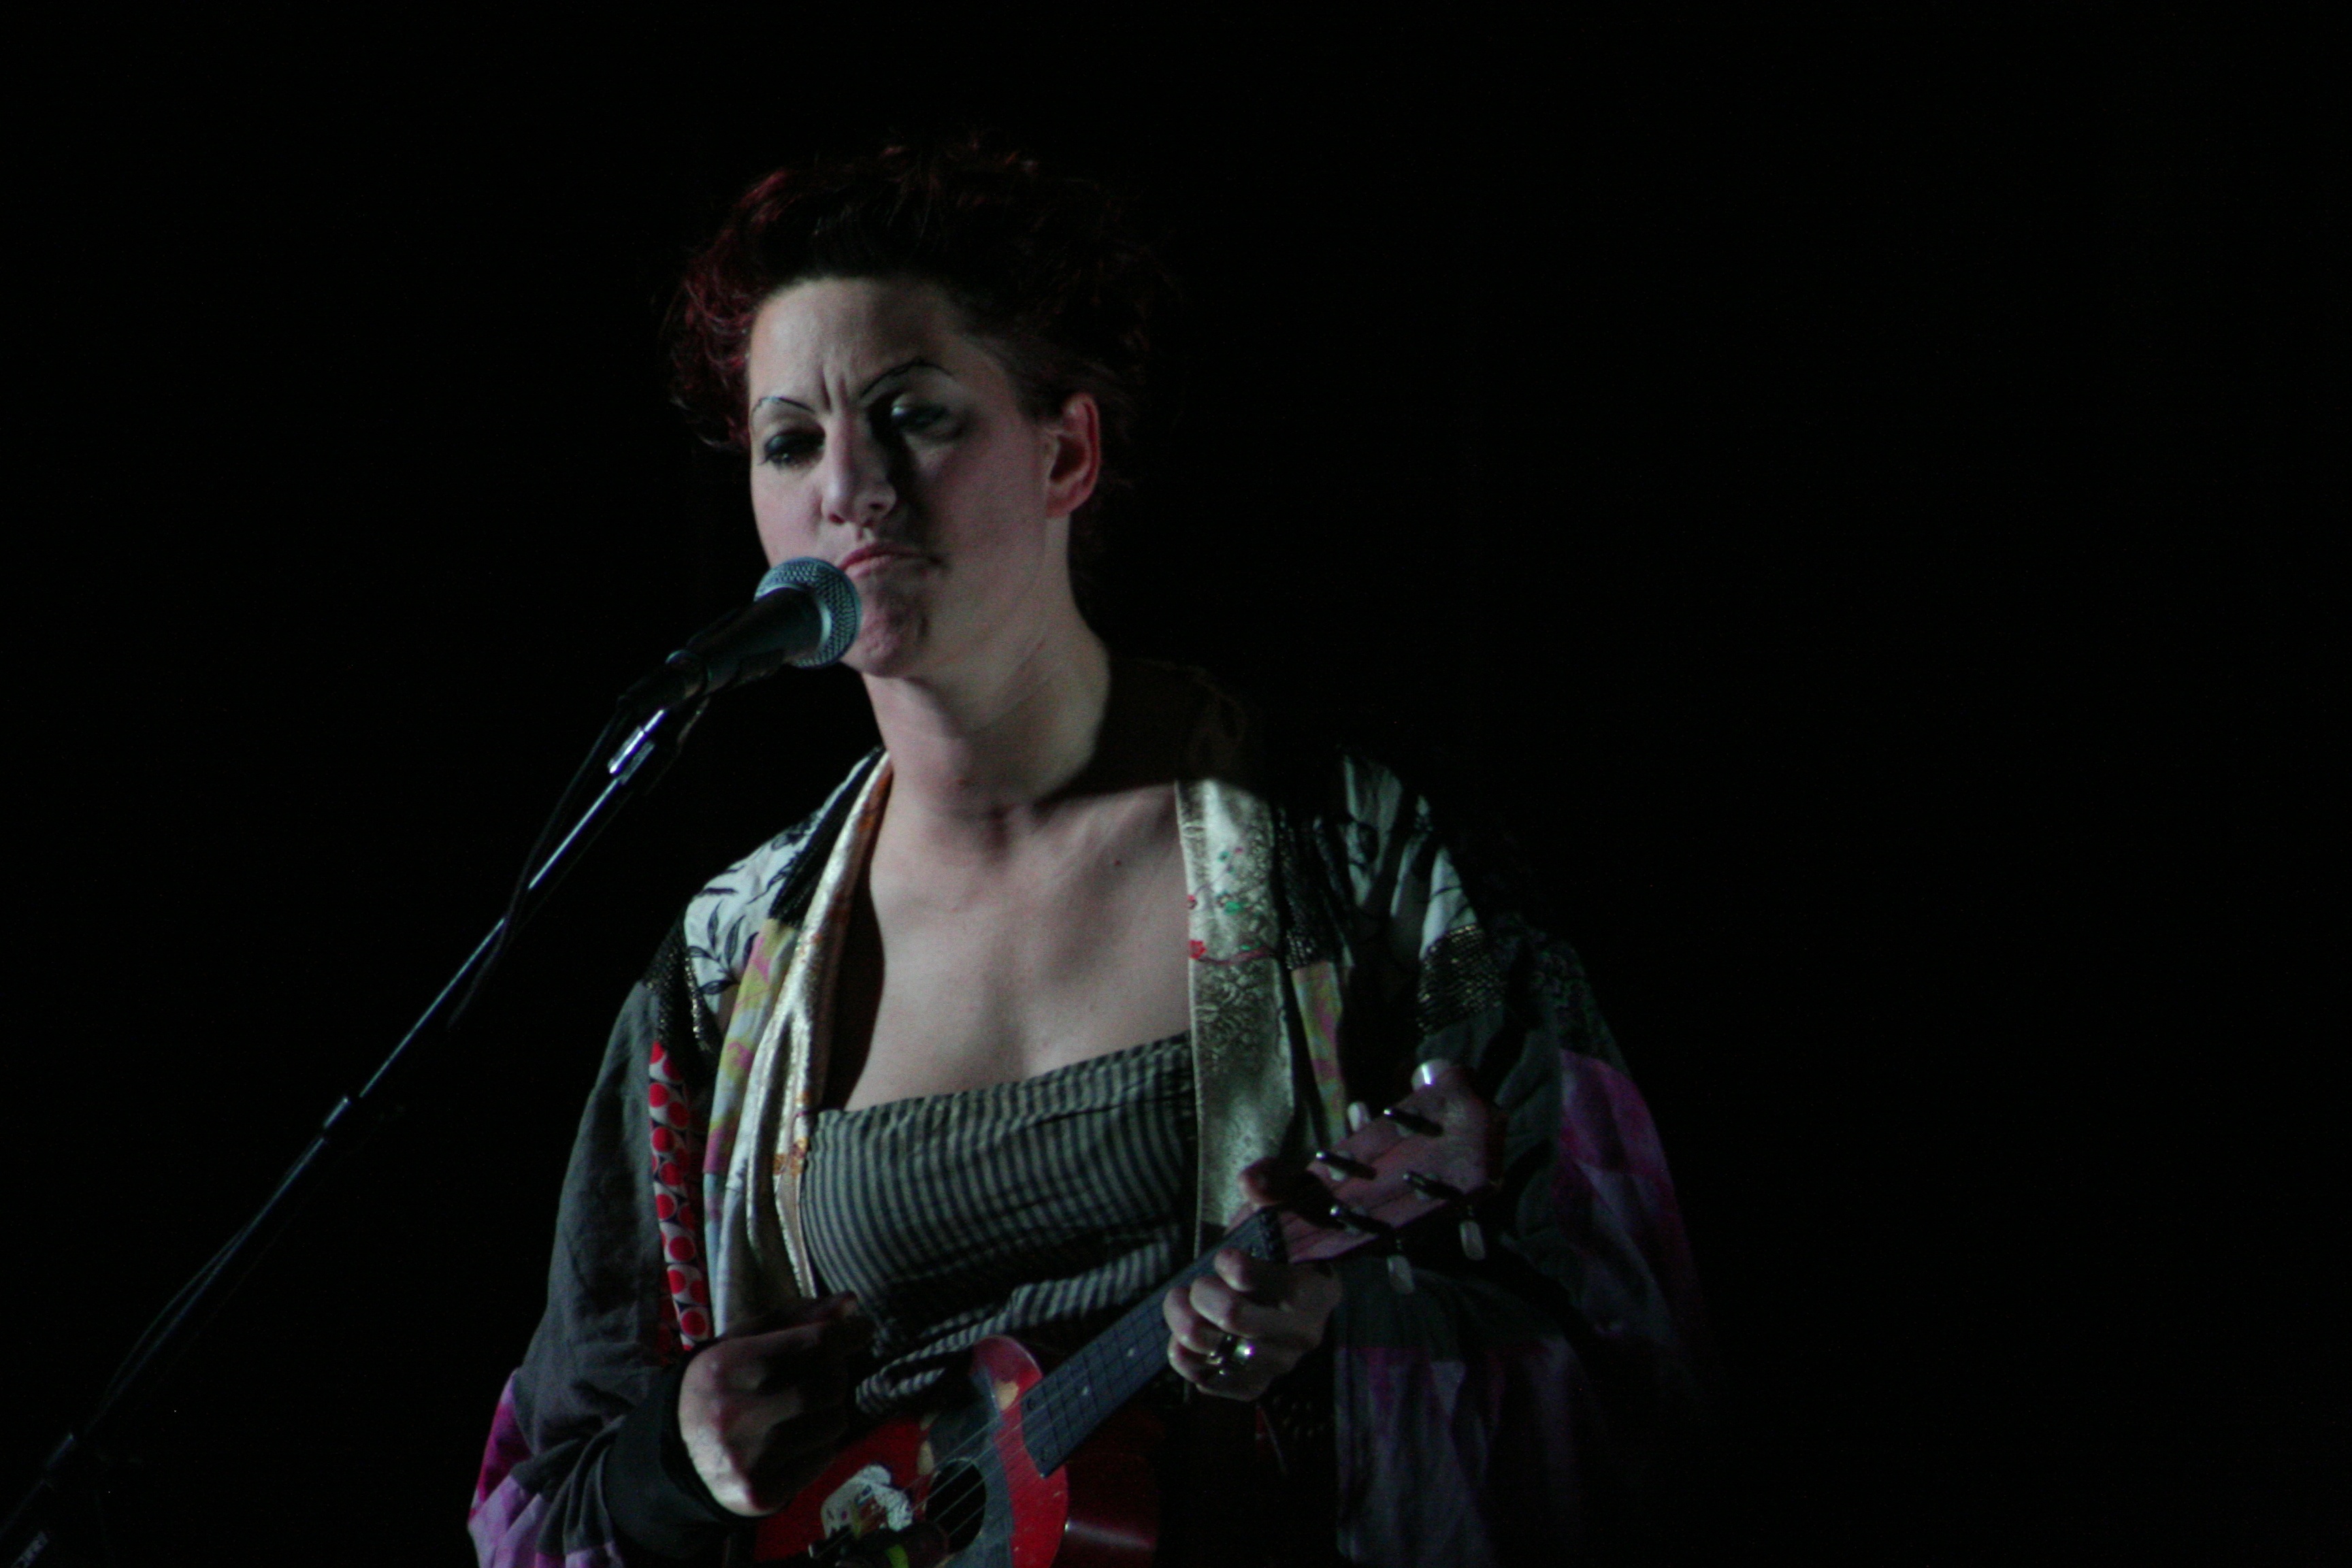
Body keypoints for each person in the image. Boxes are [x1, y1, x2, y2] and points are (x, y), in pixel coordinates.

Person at [468, 142, 1705, 1568]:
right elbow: (540, 1496)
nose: (848, 486)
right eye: (791, 440)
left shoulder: (1359, 861)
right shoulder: (728, 965)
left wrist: (1343, 1346)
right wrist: (667, 1466)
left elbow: (1633, 1377)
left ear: (1067, 453)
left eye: (913, 415)